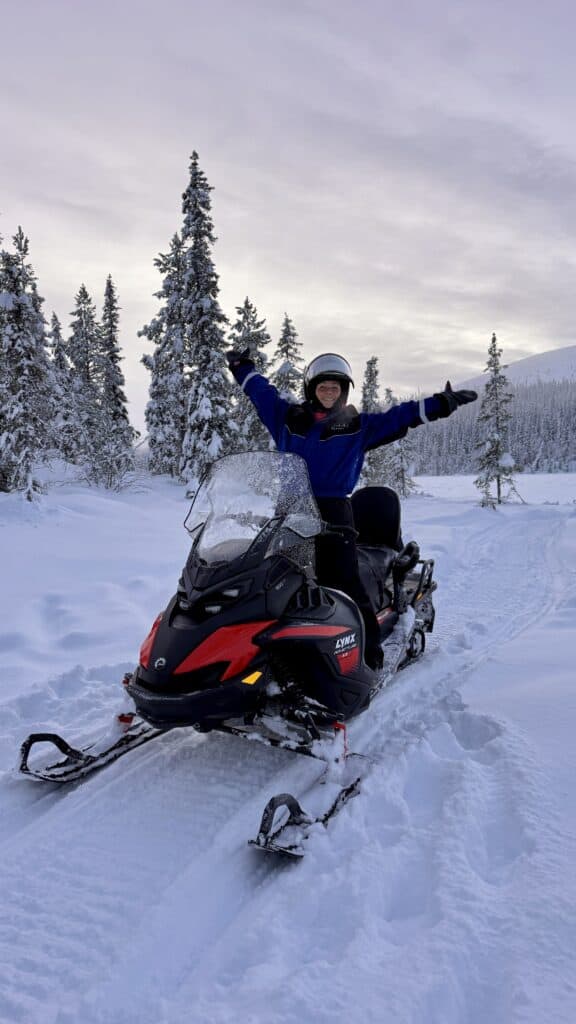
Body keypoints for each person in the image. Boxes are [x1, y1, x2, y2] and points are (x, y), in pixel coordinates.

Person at [226, 349, 477, 670]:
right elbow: (260, 392)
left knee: (343, 580)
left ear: (344, 391)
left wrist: (441, 404)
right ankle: (267, 654)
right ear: (311, 389)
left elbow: (400, 416)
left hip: (334, 512)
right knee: (274, 581)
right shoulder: (286, 419)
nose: (329, 393)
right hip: (291, 510)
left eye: (336, 388)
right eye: (323, 386)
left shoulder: (357, 426)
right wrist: (241, 366)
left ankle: (369, 653)